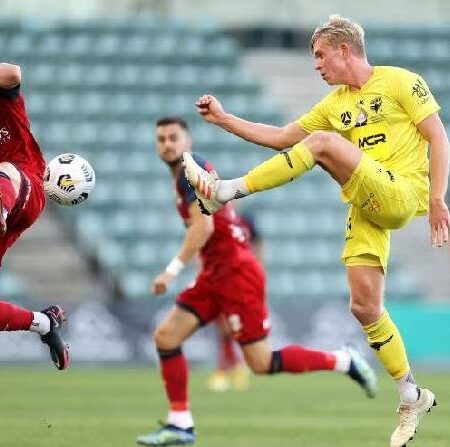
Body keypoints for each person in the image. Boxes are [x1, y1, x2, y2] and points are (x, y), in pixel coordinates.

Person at [182, 15, 449, 447]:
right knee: (364, 307)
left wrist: (437, 198)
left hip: (403, 192)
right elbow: (283, 137)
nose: (317, 66)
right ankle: (411, 393)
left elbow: (438, 136)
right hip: (368, 203)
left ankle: (226, 190)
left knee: (323, 144)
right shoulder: (335, 104)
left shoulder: (401, 82)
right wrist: (226, 120)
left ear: (345, 50)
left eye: (321, 55)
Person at [136, 116, 377, 446]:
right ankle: (180, 425)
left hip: (236, 273)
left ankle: (344, 360)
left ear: (187, 141)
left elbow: (203, 228)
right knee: (166, 337)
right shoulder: (189, 172)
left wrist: (172, 269)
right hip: (214, 274)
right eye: (161, 138)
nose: (167, 144)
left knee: (261, 363)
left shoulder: (189, 173)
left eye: (173, 137)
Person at [0, 62, 69, 370]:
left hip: (25, 185)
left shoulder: (6, 98)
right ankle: (43, 322)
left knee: (3, 170)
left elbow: (13, 73)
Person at [206, 210, 261, 392]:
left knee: (235, 325)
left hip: (241, 276)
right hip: (219, 276)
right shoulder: (212, 220)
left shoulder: (247, 220)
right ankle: (233, 368)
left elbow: (258, 244)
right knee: (223, 325)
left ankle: (228, 369)